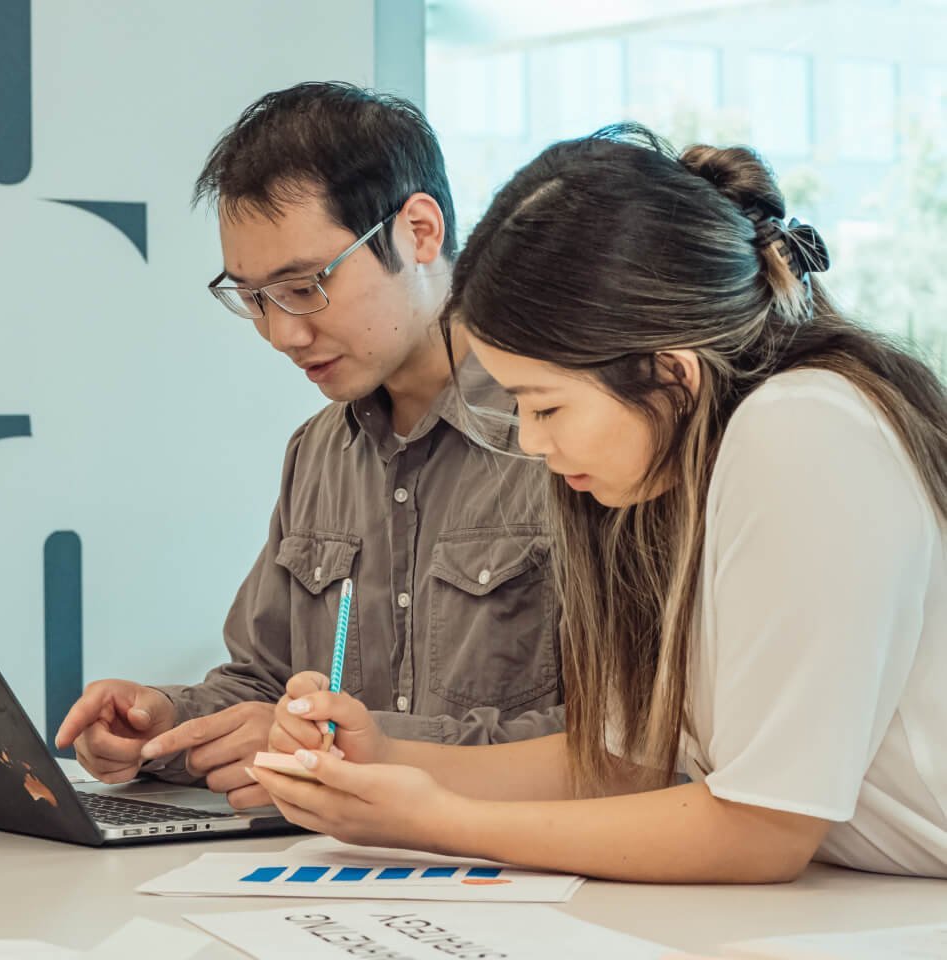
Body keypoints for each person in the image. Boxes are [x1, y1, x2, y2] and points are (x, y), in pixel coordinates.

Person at [252, 123, 947, 882]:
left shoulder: (801, 428)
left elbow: (763, 833)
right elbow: (619, 761)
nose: (531, 442)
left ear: (670, 374)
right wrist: (384, 758)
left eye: (546, 406)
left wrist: (438, 822)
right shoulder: (674, 471)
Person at [55, 82, 563, 809]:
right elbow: (264, 683)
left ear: (420, 232)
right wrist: (166, 724)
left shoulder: (564, 434)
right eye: (254, 298)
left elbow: (632, 737)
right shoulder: (319, 452)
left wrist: (350, 747)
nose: (282, 334)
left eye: (304, 286)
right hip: (338, 858)